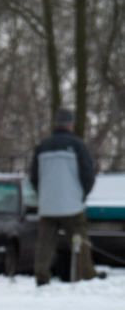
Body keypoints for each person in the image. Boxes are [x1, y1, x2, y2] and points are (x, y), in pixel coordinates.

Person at [30, 108, 98, 285]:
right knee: (79, 241)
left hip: (48, 204)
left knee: (45, 243)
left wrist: (43, 194)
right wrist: (82, 195)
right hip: (72, 204)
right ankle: (86, 275)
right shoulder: (77, 145)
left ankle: (41, 275)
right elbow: (88, 174)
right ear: (70, 124)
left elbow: (34, 177)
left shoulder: (42, 146)